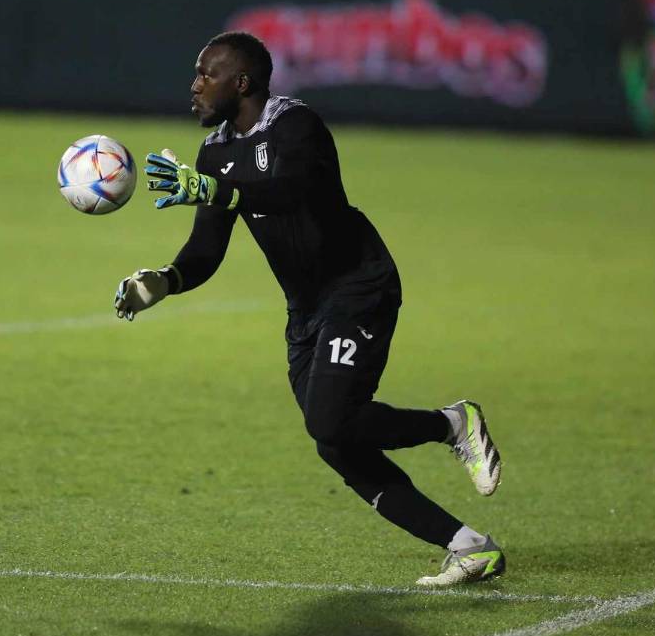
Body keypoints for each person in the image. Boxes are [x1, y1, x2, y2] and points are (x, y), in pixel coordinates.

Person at [113, 32, 504, 586]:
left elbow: (291, 190)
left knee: (330, 417)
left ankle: (452, 424)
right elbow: (207, 249)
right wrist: (167, 280)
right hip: (306, 308)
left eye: (206, 74)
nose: (194, 86)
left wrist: (218, 191)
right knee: (334, 442)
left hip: (358, 285)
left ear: (241, 83)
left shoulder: (297, 126)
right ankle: (469, 547)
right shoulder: (217, 151)